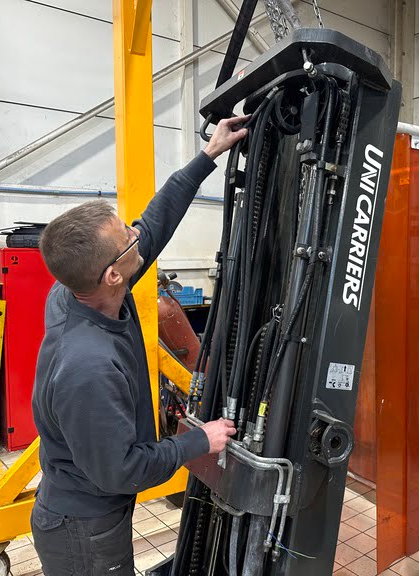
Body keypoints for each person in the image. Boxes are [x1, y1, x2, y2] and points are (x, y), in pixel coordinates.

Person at [30, 115, 248, 576]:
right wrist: (195, 442)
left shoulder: (78, 290)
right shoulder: (87, 365)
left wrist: (208, 155)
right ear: (112, 273)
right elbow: (122, 471)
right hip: (83, 529)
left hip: (92, 513)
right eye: (127, 238)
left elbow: (154, 223)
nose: (136, 236)